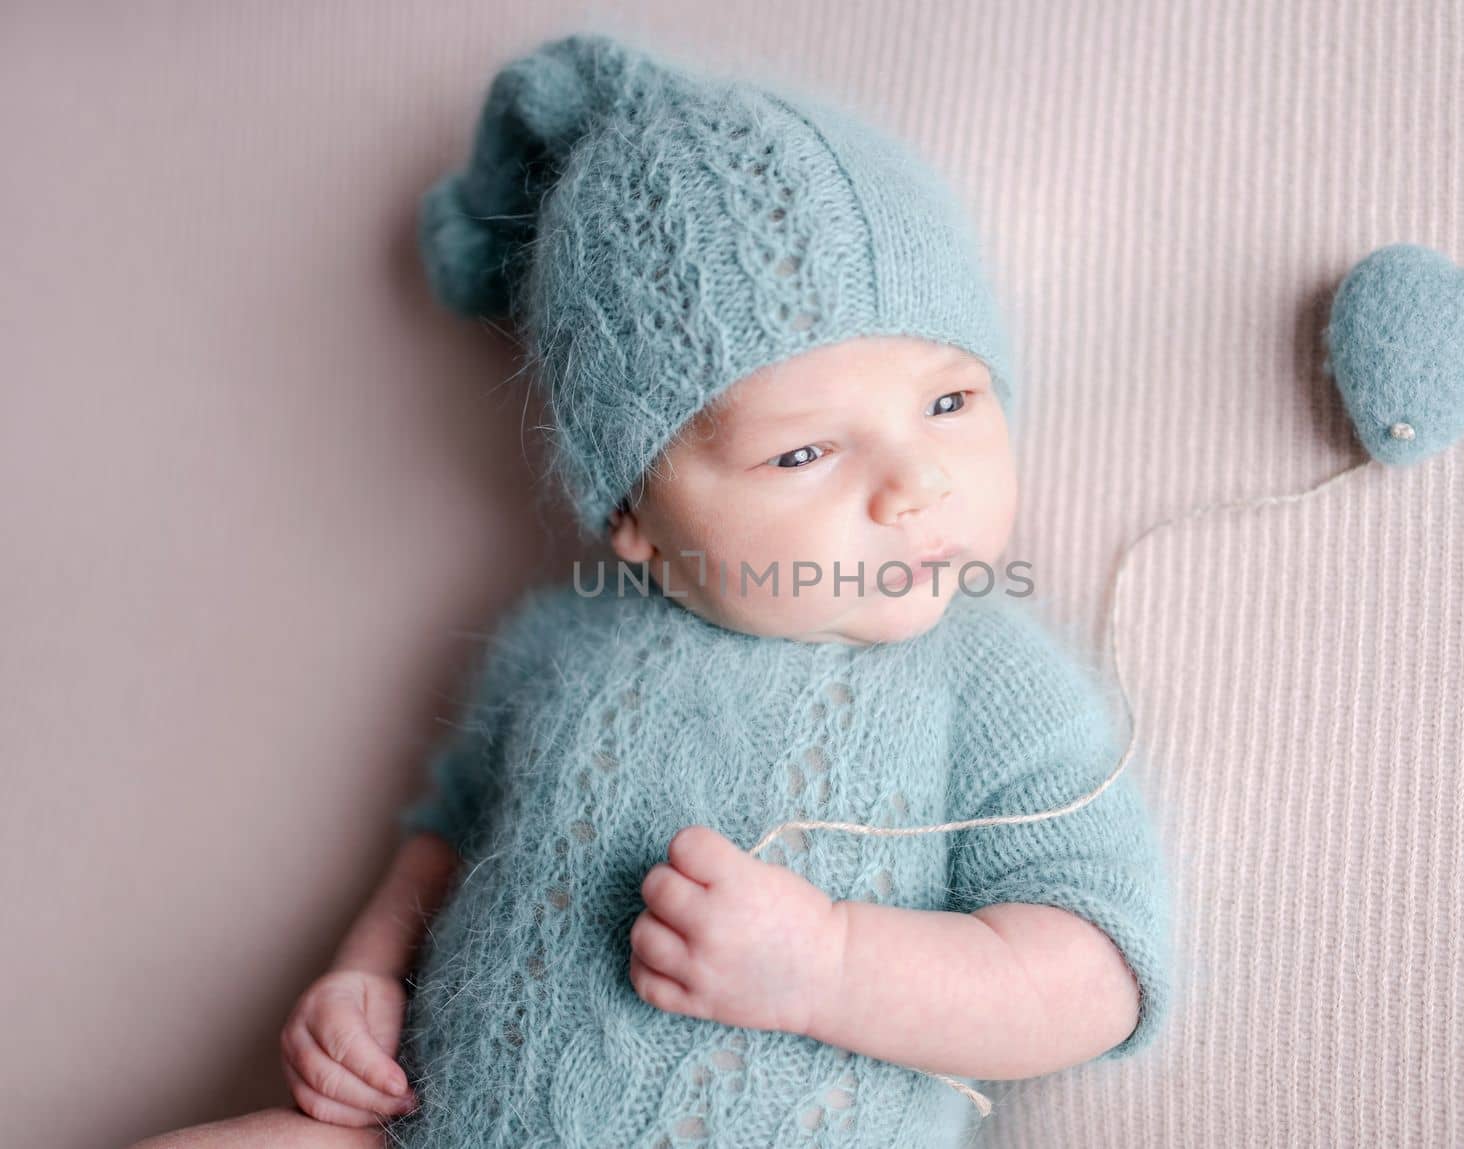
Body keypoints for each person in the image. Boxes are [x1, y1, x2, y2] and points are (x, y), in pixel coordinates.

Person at [133, 30, 1172, 1149]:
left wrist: (828, 967)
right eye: (802, 454)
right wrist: (365, 977)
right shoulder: (556, 644)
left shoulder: (987, 677)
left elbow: (1094, 969)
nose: (915, 485)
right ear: (630, 511)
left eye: (951, 404)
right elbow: (445, 841)